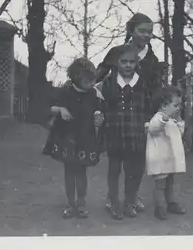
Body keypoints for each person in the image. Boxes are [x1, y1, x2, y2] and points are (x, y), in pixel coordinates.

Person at [96, 12, 164, 213]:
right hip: (118, 114)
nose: (146, 35)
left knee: (137, 160)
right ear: (130, 31)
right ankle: (113, 197)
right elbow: (100, 74)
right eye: (142, 31)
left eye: (150, 32)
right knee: (116, 161)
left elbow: (155, 90)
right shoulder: (117, 52)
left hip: (141, 114)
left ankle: (132, 197)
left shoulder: (152, 59)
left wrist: (154, 116)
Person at [42, 57, 105, 219]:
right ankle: (70, 203)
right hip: (67, 136)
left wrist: (98, 115)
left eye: (93, 79)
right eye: (88, 80)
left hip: (85, 136)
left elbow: (98, 109)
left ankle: (81, 203)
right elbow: (50, 107)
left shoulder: (94, 93)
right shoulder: (65, 91)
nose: (92, 83)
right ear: (77, 77)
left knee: (81, 170)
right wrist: (61, 109)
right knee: (69, 170)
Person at [99, 44, 152, 220]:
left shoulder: (142, 83)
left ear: (136, 63)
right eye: (124, 61)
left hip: (135, 135)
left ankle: (130, 202)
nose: (128, 65)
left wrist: (146, 125)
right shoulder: (108, 83)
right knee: (114, 170)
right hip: (114, 133)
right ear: (117, 62)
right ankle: (113, 202)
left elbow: (147, 107)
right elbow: (101, 104)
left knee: (134, 171)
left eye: (131, 62)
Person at [146, 86, 187, 220]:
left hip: (169, 158)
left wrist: (180, 123)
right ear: (164, 106)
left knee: (170, 182)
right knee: (160, 184)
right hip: (160, 158)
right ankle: (159, 207)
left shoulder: (171, 120)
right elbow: (153, 129)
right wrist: (163, 119)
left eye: (179, 105)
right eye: (175, 105)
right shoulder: (158, 118)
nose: (178, 108)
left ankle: (171, 203)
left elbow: (178, 135)